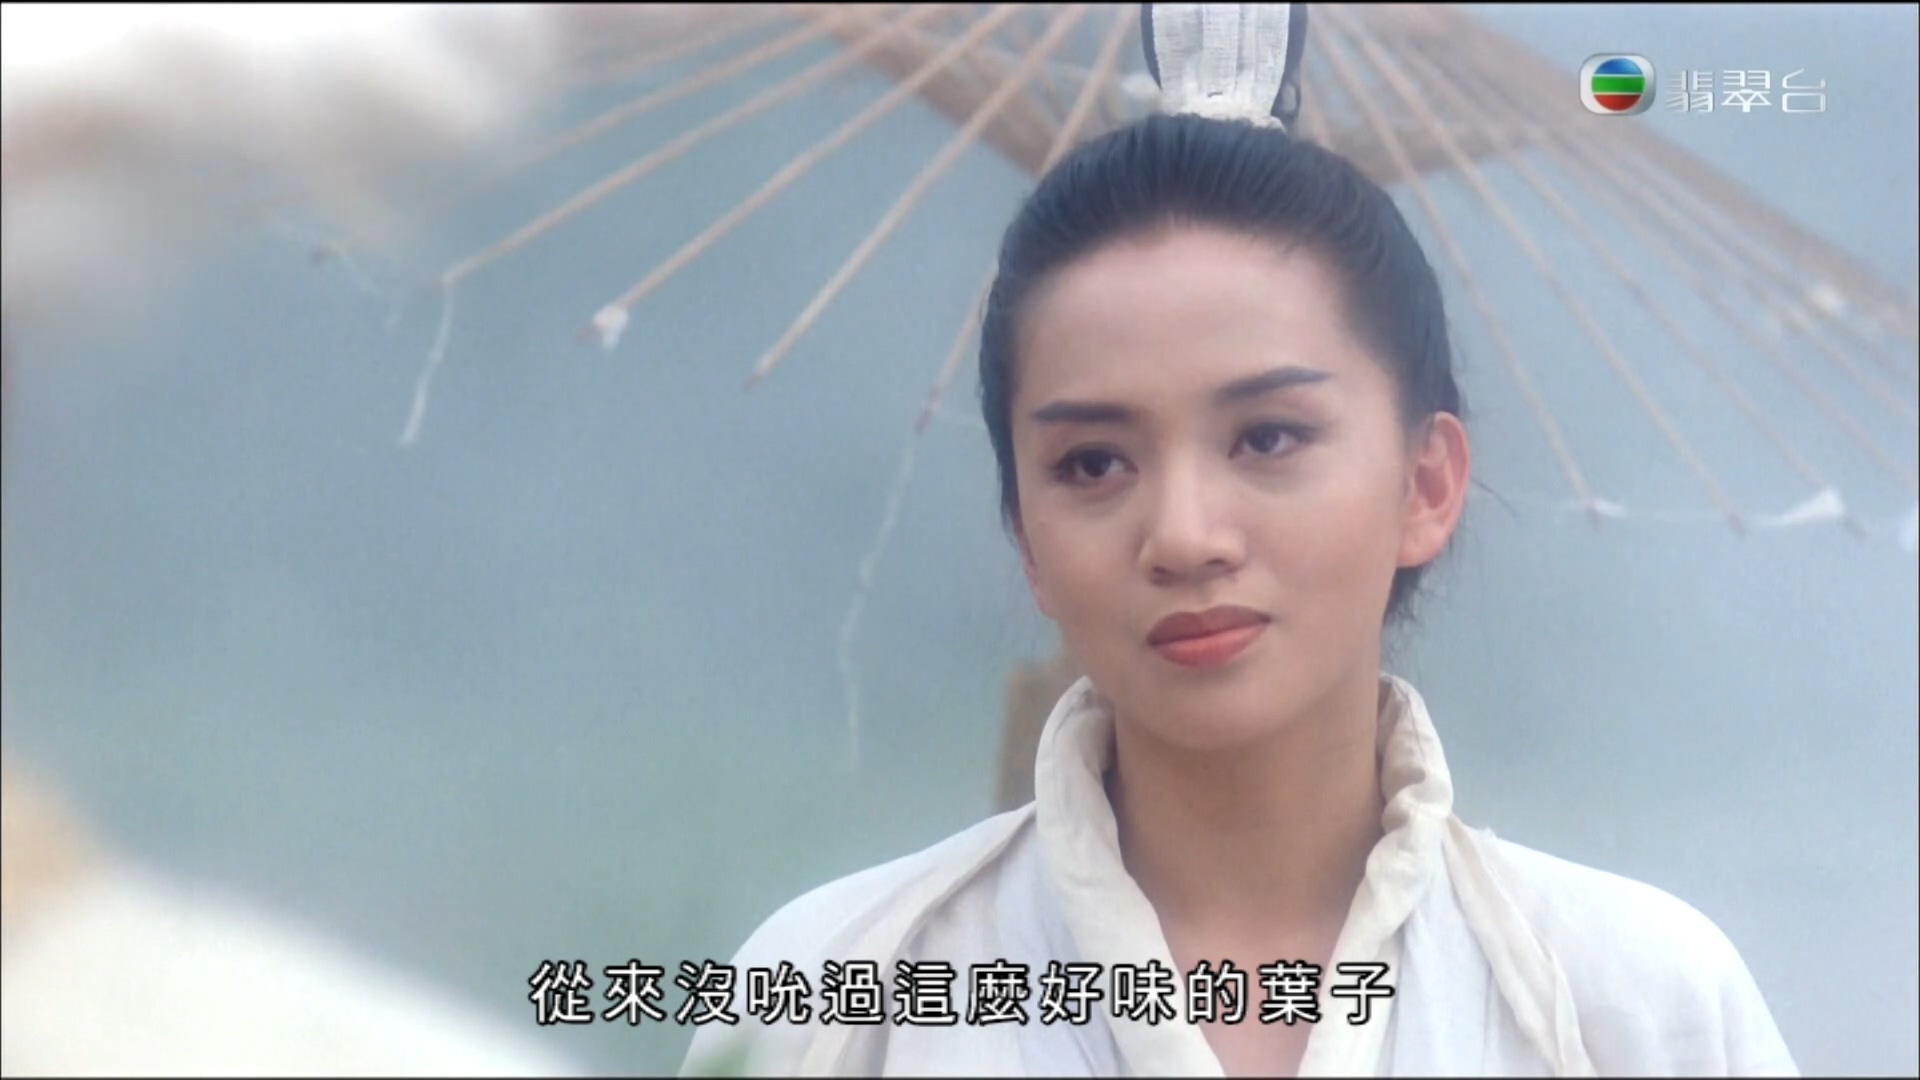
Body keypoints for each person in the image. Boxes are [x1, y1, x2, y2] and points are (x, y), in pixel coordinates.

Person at [680, 5, 1797, 1076]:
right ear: (1025, 535)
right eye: (1093, 464)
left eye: (1268, 437)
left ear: (1426, 484)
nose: (1183, 536)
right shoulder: (827, 1000)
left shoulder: (1640, 1008)